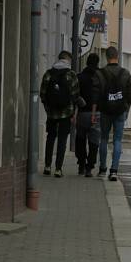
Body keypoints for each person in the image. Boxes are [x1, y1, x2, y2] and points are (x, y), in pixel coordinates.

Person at [39, 50, 80, 178]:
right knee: (62, 140)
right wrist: (73, 112)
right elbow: (75, 95)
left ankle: (47, 166)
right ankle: (58, 169)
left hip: (51, 113)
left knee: (50, 138)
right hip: (65, 113)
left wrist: (48, 108)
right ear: (68, 60)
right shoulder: (71, 74)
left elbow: (43, 94)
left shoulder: (48, 74)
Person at [99, 46, 131, 182]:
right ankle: (114, 171)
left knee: (103, 138)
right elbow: (130, 94)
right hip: (120, 110)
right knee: (118, 140)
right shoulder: (125, 73)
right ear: (117, 56)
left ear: (106, 57)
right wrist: (126, 109)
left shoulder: (100, 73)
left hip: (105, 111)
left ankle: (102, 168)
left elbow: (97, 93)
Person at [76, 53, 104, 177]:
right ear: (97, 63)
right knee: (94, 141)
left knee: (80, 138)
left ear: (87, 62)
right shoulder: (101, 77)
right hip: (97, 113)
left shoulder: (79, 77)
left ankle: (81, 163)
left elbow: (75, 95)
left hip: (82, 113)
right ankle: (90, 167)